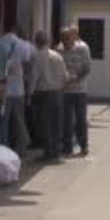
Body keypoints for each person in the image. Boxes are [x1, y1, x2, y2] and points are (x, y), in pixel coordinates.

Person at [29, 30, 67, 162]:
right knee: (56, 123)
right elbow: (65, 76)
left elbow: (34, 76)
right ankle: (56, 151)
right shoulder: (57, 56)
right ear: (48, 42)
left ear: (36, 43)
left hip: (43, 93)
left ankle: (48, 152)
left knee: (44, 123)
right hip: (57, 92)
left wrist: (30, 93)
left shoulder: (37, 56)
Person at [60, 26, 92, 156]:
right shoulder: (59, 50)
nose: (65, 41)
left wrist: (76, 79)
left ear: (73, 37)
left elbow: (87, 68)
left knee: (81, 120)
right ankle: (67, 147)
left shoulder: (82, 49)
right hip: (65, 91)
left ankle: (83, 146)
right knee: (66, 121)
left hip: (80, 91)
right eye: (63, 38)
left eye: (67, 38)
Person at [2, 22, 33, 155]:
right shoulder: (23, 45)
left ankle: (4, 146)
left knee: (4, 121)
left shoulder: (0, 42)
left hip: (3, 90)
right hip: (19, 90)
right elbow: (30, 59)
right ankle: (22, 145)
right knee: (19, 120)